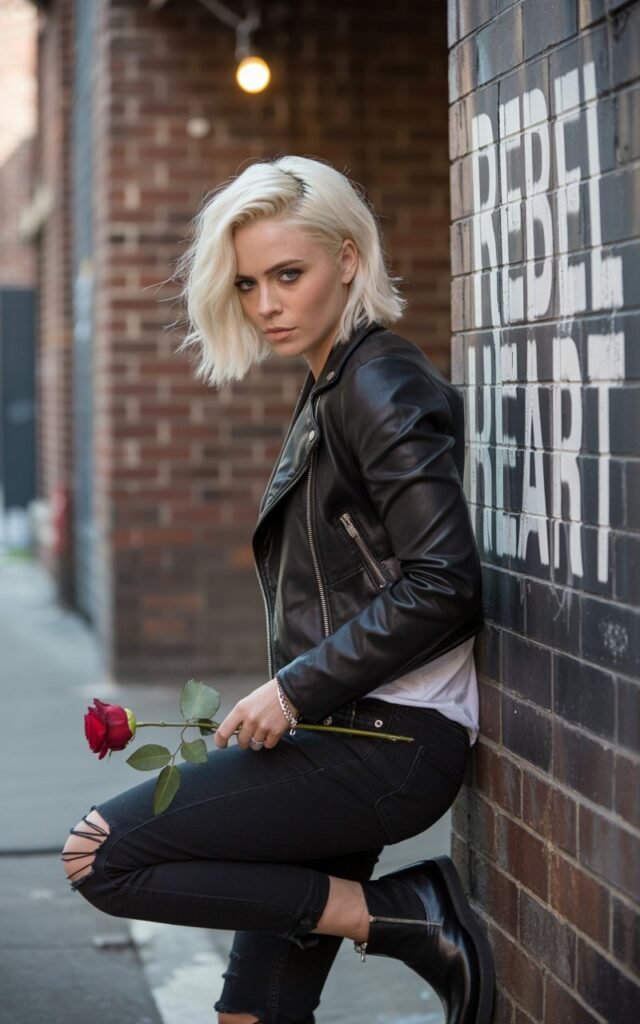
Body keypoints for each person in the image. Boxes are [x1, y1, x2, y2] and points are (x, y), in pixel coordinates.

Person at [62, 155, 494, 1024]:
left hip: (386, 742)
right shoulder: (332, 382)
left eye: (288, 275)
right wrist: (299, 694)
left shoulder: (377, 380)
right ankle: (401, 917)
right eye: (248, 283)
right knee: (252, 1015)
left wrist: (293, 689)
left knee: (98, 855)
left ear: (348, 258)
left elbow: (444, 579)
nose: (266, 304)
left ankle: (404, 917)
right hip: (347, 727)